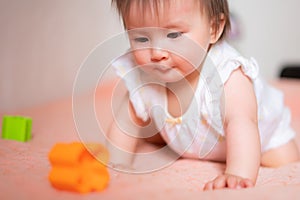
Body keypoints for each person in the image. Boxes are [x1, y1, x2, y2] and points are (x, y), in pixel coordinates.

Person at [107, 0, 299, 190]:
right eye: (141, 39)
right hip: (192, 136)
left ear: (213, 28)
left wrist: (238, 174)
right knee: (145, 126)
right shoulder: (143, 75)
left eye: (173, 34)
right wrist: (116, 163)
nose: (157, 53)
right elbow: (125, 123)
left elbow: (242, 123)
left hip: (260, 136)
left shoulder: (227, 75)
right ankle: (176, 133)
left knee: (283, 158)